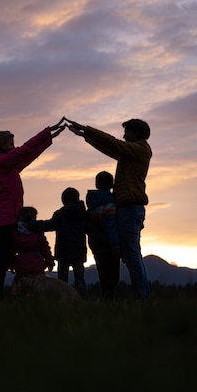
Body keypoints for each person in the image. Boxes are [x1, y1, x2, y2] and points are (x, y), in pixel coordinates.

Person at [66, 118, 151, 299]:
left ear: (136, 133)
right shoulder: (129, 154)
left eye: (127, 131)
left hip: (130, 208)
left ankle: (142, 299)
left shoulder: (141, 149)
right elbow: (110, 148)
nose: (123, 135)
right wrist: (85, 136)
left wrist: (87, 130)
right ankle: (142, 299)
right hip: (128, 208)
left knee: (131, 256)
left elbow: (114, 144)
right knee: (132, 255)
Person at [0, 118, 65, 301]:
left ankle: (6, 298)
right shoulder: (0, 163)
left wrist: (49, 139)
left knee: (5, 259)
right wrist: (46, 132)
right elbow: (24, 151)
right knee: (0, 261)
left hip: (10, 218)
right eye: (10, 143)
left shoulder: (9, 166)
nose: (14, 146)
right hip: (3, 219)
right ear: (1, 145)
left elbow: (28, 155)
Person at [27, 187, 88, 297]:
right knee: (80, 280)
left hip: (63, 252)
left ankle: (63, 301)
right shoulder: (84, 214)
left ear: (63, 200)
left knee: (62, 282)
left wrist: (31, 224)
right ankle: (83, 300)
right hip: (79, 251)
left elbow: (48, 225)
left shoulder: (60, 214)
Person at [86, 171, 121, 301]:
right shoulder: (109, 201)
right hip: (108, 245)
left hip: (95, 244)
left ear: (96, 184)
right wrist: (115, 245)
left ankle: (105, 299)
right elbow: (110, 224)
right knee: (113, 277)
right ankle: (108, 301)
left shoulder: (91, 202)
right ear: (111, 184)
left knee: (103, 274)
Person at [9, 207, 55, 295]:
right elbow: (45, 249)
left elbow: (11, 251)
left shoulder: (15, 233)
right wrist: (50, 262)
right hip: (37, 266)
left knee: (20, 290)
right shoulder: (38, 233)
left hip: (21, 266)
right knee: (38, 291)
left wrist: (11, 265)